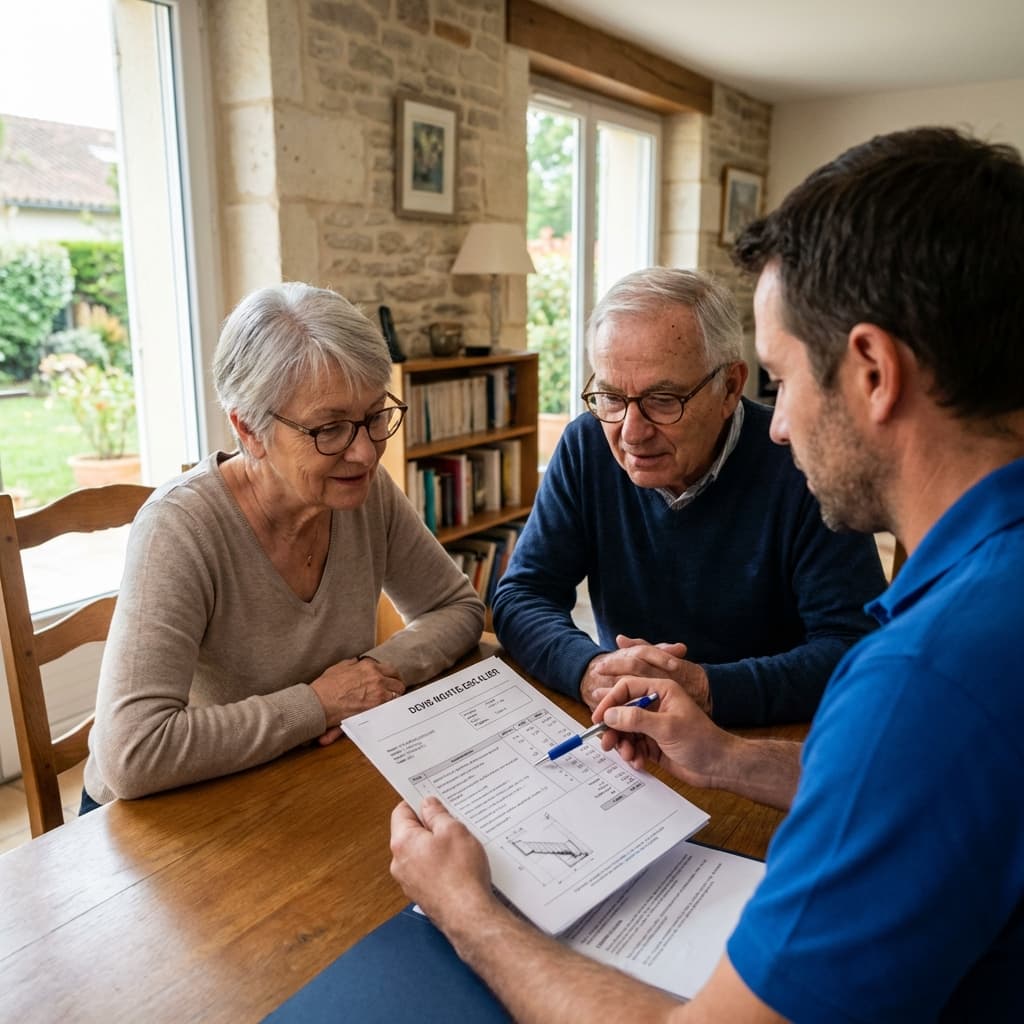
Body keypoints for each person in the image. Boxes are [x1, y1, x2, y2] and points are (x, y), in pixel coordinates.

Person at [389, 127, 1024, 1021]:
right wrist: (725, 756)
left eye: (782, 376)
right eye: (611, 397)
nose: (778, 423)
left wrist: (467, 910)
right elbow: (911, 789)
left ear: (874, 372)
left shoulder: (926, 680)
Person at [83, 283, 484, 807]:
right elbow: (133, 753)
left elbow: (456, 607)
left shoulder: (364, 492)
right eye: (330, 429)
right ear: (249, 430)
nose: (365, 453)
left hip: (298, 771)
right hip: (164, 817)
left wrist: (372, 677)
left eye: (373, 416)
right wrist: (318, 704)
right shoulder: (178, 529)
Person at [492, 266, 885, 726]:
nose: (631, 433)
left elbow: (855, 646)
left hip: (771, 737)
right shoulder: (587, 445)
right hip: (632, 726)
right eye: (611, 397)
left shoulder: (802, 462)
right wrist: (590, 669)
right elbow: (522, 594)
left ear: (730, 388)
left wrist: (704, 687)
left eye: (663, 399)